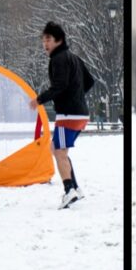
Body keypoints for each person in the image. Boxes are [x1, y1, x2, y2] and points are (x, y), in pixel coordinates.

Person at [29, 22, 95, 209]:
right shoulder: (74, 58)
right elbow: (90, 81)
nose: (45, 44)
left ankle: (69, 191)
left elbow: (59, 86)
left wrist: (39, 100)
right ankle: (75, 187)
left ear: (59, 40)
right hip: (80, 114)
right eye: (43, 40)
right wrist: (77, 96)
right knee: (58, 150)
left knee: (59, 152)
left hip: (68, 114)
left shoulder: (58, 59)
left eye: (48, 39)